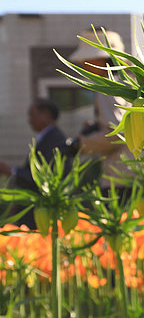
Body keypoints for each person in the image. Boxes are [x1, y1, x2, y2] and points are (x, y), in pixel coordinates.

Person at [67, 29, 130, 189]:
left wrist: (81, 144)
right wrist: (96, 128)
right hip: (137, 172)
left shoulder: (107, 87)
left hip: (121, 175)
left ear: (102, 60)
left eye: (88, 59)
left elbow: (117, 133)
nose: (83, 64)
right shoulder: (126, 83)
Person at [0, 98, 69, 227]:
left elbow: (43, 178)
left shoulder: (54, 140)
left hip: (41, 209)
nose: (29, 120)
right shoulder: (49, 138)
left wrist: (11, 171)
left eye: (32, 115)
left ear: (46, 114)